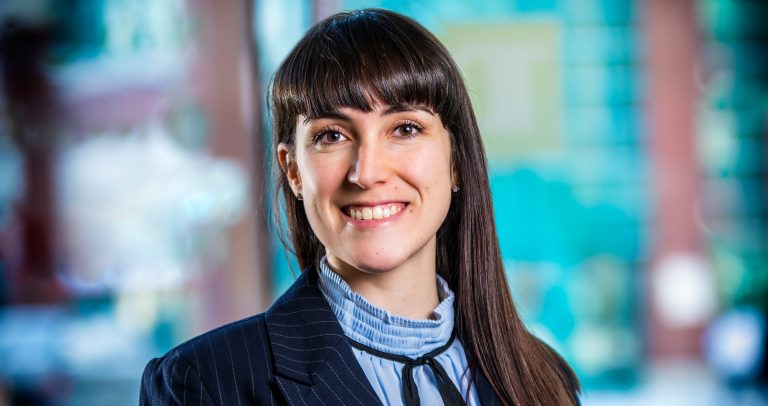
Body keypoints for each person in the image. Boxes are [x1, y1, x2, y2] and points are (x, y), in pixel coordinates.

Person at [140, 8, 580, 406]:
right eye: (332, 136)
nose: (367, 172)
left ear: (456, 161)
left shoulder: (543, 379)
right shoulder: (205, 384)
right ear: (293, 170)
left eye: (405, 128)